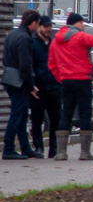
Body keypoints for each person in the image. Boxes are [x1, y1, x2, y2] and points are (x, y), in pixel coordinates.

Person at [48, 13, 93, 161]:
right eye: (82, 23)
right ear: (77, 23)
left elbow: (52, 64)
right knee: (85, 114)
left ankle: (61, 152)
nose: (83, 26)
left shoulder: (56, 41)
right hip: (83, 80)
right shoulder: (80, 37)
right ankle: (85, 152)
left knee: (66, 114)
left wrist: (61, 78)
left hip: (66, 82)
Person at [3, 10, 40, 160]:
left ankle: (25, 148)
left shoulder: (12, 34)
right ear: (33, 23)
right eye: (37, 24)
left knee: (23, 115)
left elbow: (5, 59)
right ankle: (9, 148)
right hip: (20, 82)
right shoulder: (25, 38)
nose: (37, 28)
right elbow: (25, 65)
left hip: (10, 79)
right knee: (17, 116)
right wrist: (31, 86)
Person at [29, 16, 61, 159]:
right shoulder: (33, 44)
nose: (49, 30)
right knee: (37, 119)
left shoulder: (54, 43)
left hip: (54, 87)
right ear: (39, 27)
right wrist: (32, 84)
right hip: (39, 88)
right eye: (46, 26)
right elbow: (30, 65)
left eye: (50, 27)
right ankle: (39, 147)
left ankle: (53, 149)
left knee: (56, 119)